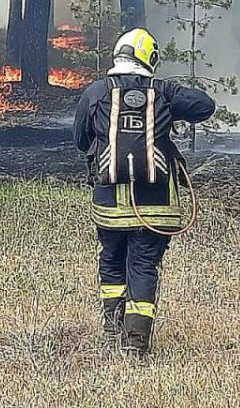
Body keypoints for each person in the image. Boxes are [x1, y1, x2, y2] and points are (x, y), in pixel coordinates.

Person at [72, 28, 215, 355]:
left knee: (111, 261)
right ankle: (136, 344)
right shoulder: (162, 93)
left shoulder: (96, 93)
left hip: (109, 207)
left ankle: (113, 330)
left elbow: (81, 141)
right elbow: (204, 106)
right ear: (150, 59)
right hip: (156, 207)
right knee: (143, 266)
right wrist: (168, 94)